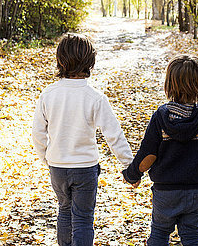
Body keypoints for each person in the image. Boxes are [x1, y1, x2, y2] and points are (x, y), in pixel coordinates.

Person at [32, 33, 133, 246]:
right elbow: (113, 134)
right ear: (90, 62)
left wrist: (46, 158)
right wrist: (129, 165)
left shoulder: (48, 94)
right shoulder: (95, 97)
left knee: (64, 211)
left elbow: (38, 133)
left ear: (60, 61)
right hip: (85, 168)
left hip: (58, 167)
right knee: (83, 218)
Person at [122, 54, 198, 246]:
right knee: (193, 236)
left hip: (165, 193)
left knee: (160, 233)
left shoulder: (161, 118)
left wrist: (132, 174)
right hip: (197, 192)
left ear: (170, 84)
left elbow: (149, 155)